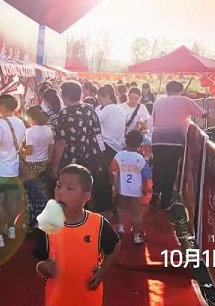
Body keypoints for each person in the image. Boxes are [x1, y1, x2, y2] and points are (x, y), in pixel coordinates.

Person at [34, 164, 120, 306]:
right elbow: (39, 262)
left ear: (85, 197)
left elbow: (115, 245)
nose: (61, 192)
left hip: (89, 299)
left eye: (70, 188)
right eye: (58, 186)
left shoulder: (98, 223)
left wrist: (103, 270)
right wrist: (46, 269)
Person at [151, 81, 207, 210]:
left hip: (157, 139)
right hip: (175, 141)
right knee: (170, 169)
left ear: (167, 90)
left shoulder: (158, 102)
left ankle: (155, 193)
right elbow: (204, 114)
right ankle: (166, 200)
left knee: (158, 167)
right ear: (180, 90)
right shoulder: (185, 100)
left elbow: (153, 120)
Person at [0, 94, 26, 248]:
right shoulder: (21, 123)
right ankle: (11, 229)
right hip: (13, 169)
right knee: (11, 201)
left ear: (2, 106)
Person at [109, 130, 152, 245]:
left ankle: (121, 227)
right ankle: (137, 235)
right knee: (136, 212)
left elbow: (112, 169)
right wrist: (144, 188)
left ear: (126, 141)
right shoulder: (140, 158)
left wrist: (113, 184)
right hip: (135, 190)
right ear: (139, 144)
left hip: (122, 189)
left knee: (121, 207)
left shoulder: (119, 155)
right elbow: (146, 175)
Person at [52, 82, 101, 180]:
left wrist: (55, 166)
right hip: (90, 159)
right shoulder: (90, 109)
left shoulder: (64, 114)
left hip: (71, 161)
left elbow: (61, 142)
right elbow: (98, 133)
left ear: (66, 96)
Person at [21, 106, 54, 233]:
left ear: (32, 118)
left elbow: (29, 150)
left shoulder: (30, 131)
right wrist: (48, 157)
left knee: (29, 195)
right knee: (42, 192)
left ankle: (30, 223)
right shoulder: (47, 130)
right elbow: (52, 146)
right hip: (43, 163)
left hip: (31, 165)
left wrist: (21, 150)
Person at [94, 86, 126, 216]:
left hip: (106, 147)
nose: (99, 102)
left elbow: (94, 121)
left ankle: (104, 207)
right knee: (112, 179)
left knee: (101, 179)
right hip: (117, 148)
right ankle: (113, 206)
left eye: (99, 98)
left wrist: (98, 109)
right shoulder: (121, 110)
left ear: (106, 96)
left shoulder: (107, 109)